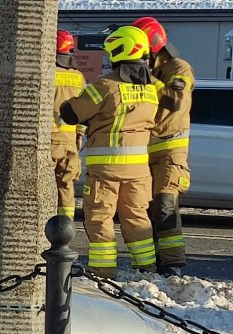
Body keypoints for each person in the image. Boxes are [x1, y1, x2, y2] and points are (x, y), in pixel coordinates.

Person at [60, 26, 158, 279]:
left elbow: (71, 113)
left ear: (118, 51)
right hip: (139, 170)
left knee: (99, 217)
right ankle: (146, 267)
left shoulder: (105, 86)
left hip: (107, 168)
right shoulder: (152, 88)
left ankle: (102, 269)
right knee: (137, 216)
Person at [134, 16, 195, 277]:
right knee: (146, 209)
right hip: (145, 150)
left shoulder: (178, 68)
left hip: (170, 151)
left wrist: (149, 79)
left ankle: (173, 264)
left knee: (165, 205)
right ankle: (152, 264)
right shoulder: (149, 70)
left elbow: (174, 101)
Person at [51, 29, 86, 219]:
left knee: (44, 186)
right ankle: (67, 226)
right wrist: (79, 135)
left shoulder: (46, 73)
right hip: (70, 142)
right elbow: (83, 110)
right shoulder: (78, 77)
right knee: (66, 186)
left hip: (49, 140)